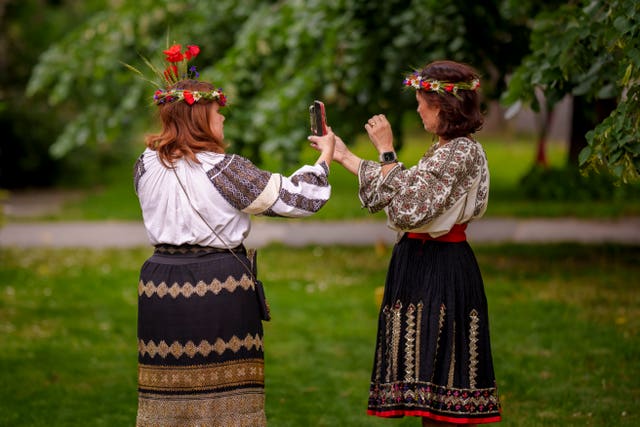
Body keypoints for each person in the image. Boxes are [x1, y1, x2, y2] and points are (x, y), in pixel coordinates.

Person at [132, 44, 335, 426]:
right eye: (216, 112)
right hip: (218, 287)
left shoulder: (144, 165)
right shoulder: (225, 170)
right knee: (229, 409)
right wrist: (324, 158)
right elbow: (297, 199)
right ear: (198, 120)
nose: (222, 119)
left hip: (158, 288)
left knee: (167, 402)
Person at [318, 60, 501, 425]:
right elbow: (405, 185)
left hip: (442, 268)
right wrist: (343, 155)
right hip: (421, 265)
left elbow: (407, 208)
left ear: (445, 106)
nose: (417, 108)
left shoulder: (461, 152)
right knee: (426, 389)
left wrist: (387, 149)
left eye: (422, 101)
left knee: (441, 386)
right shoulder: (444, 149)